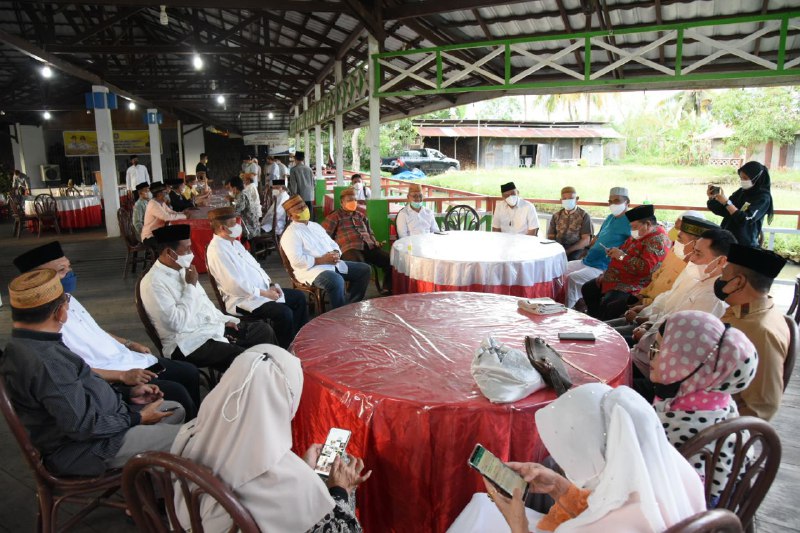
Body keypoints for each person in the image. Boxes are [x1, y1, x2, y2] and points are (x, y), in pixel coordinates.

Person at [449, 383, 705, 533]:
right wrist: (559, 487)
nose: (563, 464)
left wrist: (519, 525)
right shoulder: (676, 471)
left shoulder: (602, 527)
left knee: (480, 510)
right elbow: (607, 502)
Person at [2, 269, 185, 476]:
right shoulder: (47, 361)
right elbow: (83, 426)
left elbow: (76, 393)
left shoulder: (26, 344)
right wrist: (138, 419)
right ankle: (162, 497)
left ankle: (153, 489)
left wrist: (127, 395)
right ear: (61, 312)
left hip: (102, 423)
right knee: (191, 440)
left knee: (175, 409)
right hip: (86, 448)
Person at [172, 346, 368, 532]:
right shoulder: (291, 482)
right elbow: (343, 529)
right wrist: (341, 489)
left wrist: (303, 467)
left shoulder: (189, 436)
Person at [12, 241, 200, 417]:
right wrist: (123, 376)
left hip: (123, 358)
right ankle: (190, 438)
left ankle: (199, 423)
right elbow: (74, 372)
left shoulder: (67, 298)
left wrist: (129, 343)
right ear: (38, 279)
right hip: (109, 375)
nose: (70, 274)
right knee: (177, 392)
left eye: (69, 267)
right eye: (62, 270)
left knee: (188, 372)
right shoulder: (44, 324)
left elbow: (94, 331)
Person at [648, 310, 758, 498]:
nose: (650, 357)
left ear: (687, 364)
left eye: (657, 350)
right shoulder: (717, 400)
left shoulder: (679, 427)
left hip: (687, 512)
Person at [140, 225, 277, 371]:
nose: (191, 253)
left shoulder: (182, 269)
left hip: (209, 329)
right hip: (186, 343)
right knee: (244, 358)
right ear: (169, 252)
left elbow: (204, 304)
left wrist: (223, 320)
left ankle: (274, 374)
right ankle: (249, 386)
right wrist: (190, 287)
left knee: (263, 330)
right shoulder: (153, 283)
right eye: (187, 249)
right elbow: (176, 324)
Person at [613, 227, 735, 347]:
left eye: (698, 254)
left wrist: (647, 333)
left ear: (721, 261)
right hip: (648, 330)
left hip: (655, 351)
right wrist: (647, 322)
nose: (691, 258)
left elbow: (684, 341)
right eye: (693, 251)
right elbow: (670, 311)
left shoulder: (713, 298)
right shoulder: (698, 277)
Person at [206, 207, 309, 348]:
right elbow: (234, 285)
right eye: (233, 223)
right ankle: (283, 349)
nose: (238, 226)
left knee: (298, 297)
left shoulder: (235, 243)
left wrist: (270, 284)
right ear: (223, 228)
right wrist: (264, 293)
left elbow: (256, 267)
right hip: (242, 300)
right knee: (283, 313)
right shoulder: (217, 250)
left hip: (262, 292)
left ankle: (298, 340)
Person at [715, 243, 789, 420]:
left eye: (724, 274)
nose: (719, 278)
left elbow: (761, 407)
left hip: (714, 420)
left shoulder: (761, 332)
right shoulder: (744, 312)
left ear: (738, 282)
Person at [280, 194, 371, 310]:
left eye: (303, 206)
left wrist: (336, 253)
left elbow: (333, 243)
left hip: (333, 263)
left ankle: (350, 305)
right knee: (336, 281)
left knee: (364, 270)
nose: (304, 209)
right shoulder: (291, 234)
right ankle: (339, 315)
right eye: (299, 209)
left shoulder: (315, 226)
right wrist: (321, 260)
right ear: (290, 215)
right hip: (312, 271)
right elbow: (297, 261)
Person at [582, 204, 670, 321]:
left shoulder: (657, 240)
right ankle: (595, 319)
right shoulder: (641, 234)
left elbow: (646, 269)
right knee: (588, 288)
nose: (632, 231)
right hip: (620, 277)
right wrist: (615, 252)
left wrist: (621, 256)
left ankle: (603, 325)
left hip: (637, 284)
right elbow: (624, 251)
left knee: (611, 302)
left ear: (648, 224)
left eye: (634, 227)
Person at [564, 187, 631, 308]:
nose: (612, 204)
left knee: (573, 278)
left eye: (616, 200)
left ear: (627, 202)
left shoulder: (630, 222)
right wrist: (586, 250)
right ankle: (557, 303)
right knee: (560, 269)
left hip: (603, 266)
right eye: (610, 201)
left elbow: (631, 247)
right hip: (589, 260)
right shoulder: (610, 218)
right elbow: (597, 237)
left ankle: (568, 309)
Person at [322, 186, 392, 295]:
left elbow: (370, 232)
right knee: (360, 266)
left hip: (368, 246)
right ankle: (352, 296)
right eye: (349, 200)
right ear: (341, 203)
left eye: (355, 200)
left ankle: (387, 288)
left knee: (389, 259)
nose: (353, 202)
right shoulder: (334, 217)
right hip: (349, 248)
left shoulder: (360, 215)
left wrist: (375, 242)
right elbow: (324, 236)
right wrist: (332, 252)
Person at [637, 214, 713, 307]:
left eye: (680, 239)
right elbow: (656, 276)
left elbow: (672, 304)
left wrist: (645, 305)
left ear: (695, 244)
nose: (676, 241)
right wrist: (641, 295)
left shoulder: (697, 272)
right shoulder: (674, 252)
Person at [707, 161, 773, 248]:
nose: (742, 181)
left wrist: (726, 203)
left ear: (756, 178)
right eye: (741, 178)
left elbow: (746, 219)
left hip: (744, 244)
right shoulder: (741, 192)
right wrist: (712, 198)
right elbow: (724, 211)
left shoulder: (763, 198)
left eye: (745, 178)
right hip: (727, 239)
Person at [546, 186, 592, 261]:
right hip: (558, 248)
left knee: (571, 261)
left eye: (571, 198)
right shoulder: (556, 215)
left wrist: (568, 251)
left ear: (576, 199)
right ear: (561, 200)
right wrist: (556, 249)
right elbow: (551, 236)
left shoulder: (584, 215)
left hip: (576, 250)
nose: (567, 201)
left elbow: (586, 240)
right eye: (564, 199)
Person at [229, 176, 261, 242]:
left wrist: (226, 209)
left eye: (230, 188)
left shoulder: (242, 195)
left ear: (234, 188)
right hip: (254, 225)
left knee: (229, 232)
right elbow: (238, 206)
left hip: (250, 229)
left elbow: (235, 212)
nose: (230, 190)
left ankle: (240, 249)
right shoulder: (245, 192)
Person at [288, 150, 315, 216]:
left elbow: (293, 185)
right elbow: (314, 183)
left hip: (300, 197)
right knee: (309, 215)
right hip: (310, 196)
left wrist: (293, 196)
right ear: (303, 159)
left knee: (301, 217)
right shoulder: (309, 169)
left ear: (295, 159)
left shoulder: (293, 169)